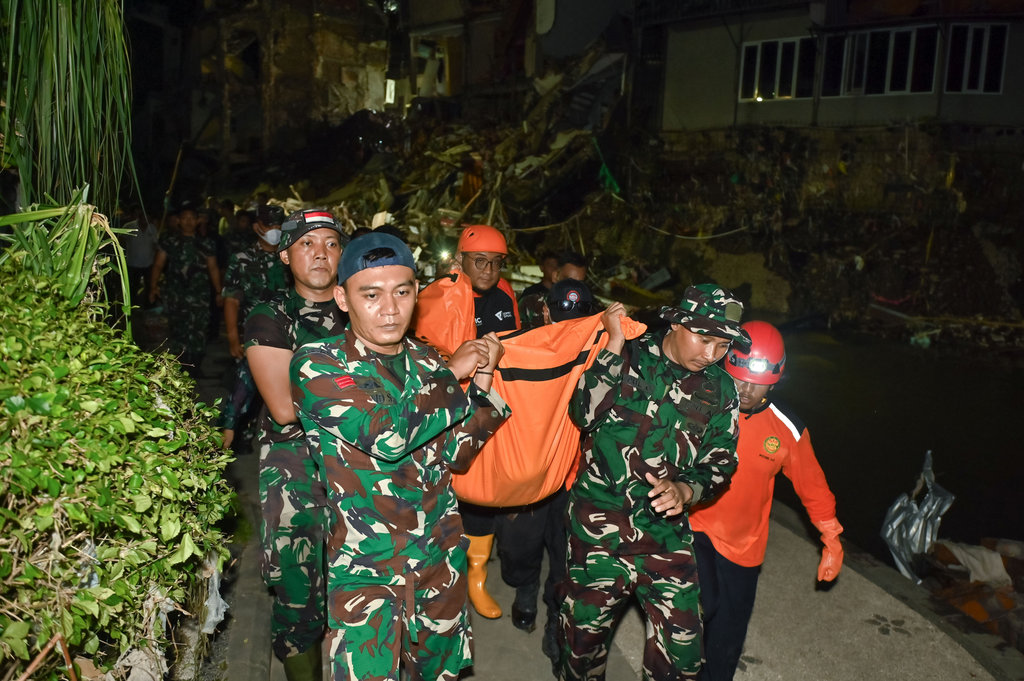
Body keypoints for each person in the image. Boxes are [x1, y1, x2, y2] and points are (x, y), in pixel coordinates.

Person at [290, 233, 511, 681]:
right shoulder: (319, 364)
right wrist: (453, 375)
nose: (390, 308)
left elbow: (455, 456)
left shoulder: (427, 361)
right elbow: (389, 436)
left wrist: (483, 386)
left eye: (402, 292)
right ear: (342, 297)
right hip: (365, 570)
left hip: (438, 562)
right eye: (371, 295)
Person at [559, 283, 750, 681]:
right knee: (581, 648)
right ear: (678, 323)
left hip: (664, 536)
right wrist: (612, 343)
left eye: (722, 346)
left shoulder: (722, 391)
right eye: (704, 339)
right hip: (597, 528)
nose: (711, 354)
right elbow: (582, 413)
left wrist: (687, 490)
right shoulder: (628, 351)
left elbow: (720, 460)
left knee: (683, 659)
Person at [689, 321, 844, 681]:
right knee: (702, 602)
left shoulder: (788, 430)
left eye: (755, 383)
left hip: (744, 546)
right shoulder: (697, 403)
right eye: (738, 378)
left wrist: (831, 537)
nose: (744, 390)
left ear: (775, 380)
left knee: (727, 637)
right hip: (691, 526)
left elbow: (814, 487)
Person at [244, 209, 350, 681]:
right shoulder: (271, 314)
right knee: (298, 598)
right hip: (296, 480)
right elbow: (285, 408)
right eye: (308, 244)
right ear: (286, 255)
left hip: (356, 473)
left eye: (330, 243)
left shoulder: (362, 309)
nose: (321, 253)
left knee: (355, 595)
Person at [411, 223, 520, 619]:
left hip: (486, 406)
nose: (489, 271)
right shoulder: (435, 297)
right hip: (442, 411)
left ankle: (476, 579)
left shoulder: (505, 294)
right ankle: (436, 576)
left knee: (481, 497)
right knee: (441, 493)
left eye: (496, 263)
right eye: (480, 261)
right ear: (461, 260)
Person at [493, 279, 598, 654]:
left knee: (566, 556)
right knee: (518, 547)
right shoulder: (522, 349)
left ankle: (556, 617)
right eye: (561, 316)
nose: (566, 325)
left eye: (578, 319)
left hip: (575, 478)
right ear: (547, 311)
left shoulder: (600, 353)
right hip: (531, 472)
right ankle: (524, 586)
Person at [218, 203, 290, 449]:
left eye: (279, 226)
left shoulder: (292, 258)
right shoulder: (242, 260)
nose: (275, 231)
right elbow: (231, 301)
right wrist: (233, 339)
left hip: (290, 336)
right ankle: (231, 433)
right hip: (255, 336)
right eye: (270, 226)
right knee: (245, 387)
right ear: (257, 227)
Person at [148, 202, 222, 377]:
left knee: (198, 331)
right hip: (176, 295)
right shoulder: (169, 241)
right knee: (177, 330)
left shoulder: (206, 243)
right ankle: (178, 367)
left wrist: (219, 292)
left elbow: (213, 268)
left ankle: (195, 367)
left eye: (192, 218)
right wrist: (153, 287)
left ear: (197, 221)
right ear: (178, 221)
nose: (188, 222)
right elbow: (158, 265)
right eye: (184, 218)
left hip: (200, 296)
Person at [519, 250, 588, 330]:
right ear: (555, 276)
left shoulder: (590, 308)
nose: (573, 288)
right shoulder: (530, 304)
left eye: (579, 283)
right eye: (568, 281)